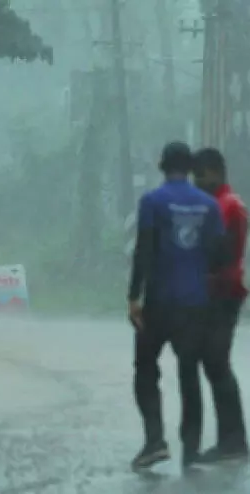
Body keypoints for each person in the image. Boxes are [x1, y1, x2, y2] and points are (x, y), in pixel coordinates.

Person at [127, 142, 227, 470]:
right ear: (190, 168)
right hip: (195, 303)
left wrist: (134, 297)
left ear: (161, 165)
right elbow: (220, 254)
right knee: (189, 373)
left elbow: (143, 250)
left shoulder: (152, 201)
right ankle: (192, 449)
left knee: (145, 368)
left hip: (158, 302)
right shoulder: (209, 205)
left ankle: (155, 441)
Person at [193, 147, 249, 463]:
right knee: (214, 364)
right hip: (212, 292)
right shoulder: (217, 205)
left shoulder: (229, 206)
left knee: (217, 363)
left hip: (223, 293)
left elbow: (224, 252)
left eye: (201, 175)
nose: (197, 181)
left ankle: (233, 439)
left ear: (215, 171)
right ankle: (231, 437)